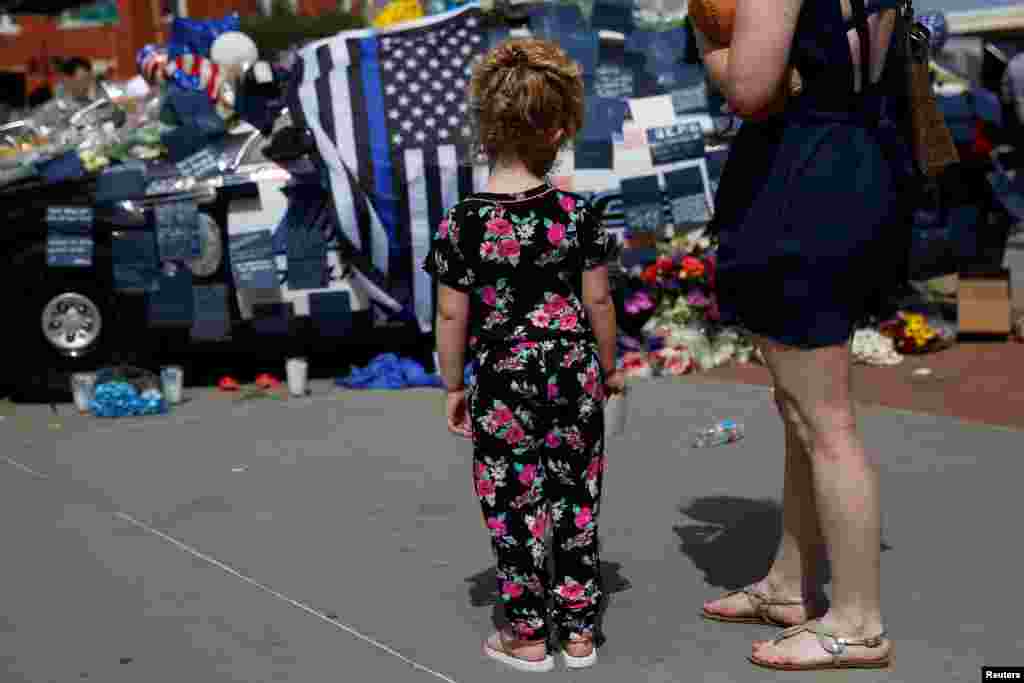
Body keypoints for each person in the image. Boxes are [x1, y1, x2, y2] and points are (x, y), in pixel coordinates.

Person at [694, 0, 904, 671]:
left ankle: (858, 620)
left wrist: (706, 37)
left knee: (824, 418)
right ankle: (790, 584)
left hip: (801, 177)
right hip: (853, 161)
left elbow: (753, 89)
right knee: (800, 408)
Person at [424, 38, 625, 673]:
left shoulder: (463, 222)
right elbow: (599, 305)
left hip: (504, 372)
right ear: (560, 128)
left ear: (487, 126)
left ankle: (529, 635)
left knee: (513, 498)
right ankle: (580, 632)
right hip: (571, 364)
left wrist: (453, 385)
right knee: (575, 490)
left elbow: (452, 312)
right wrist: (610, 367)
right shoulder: (576, 213)